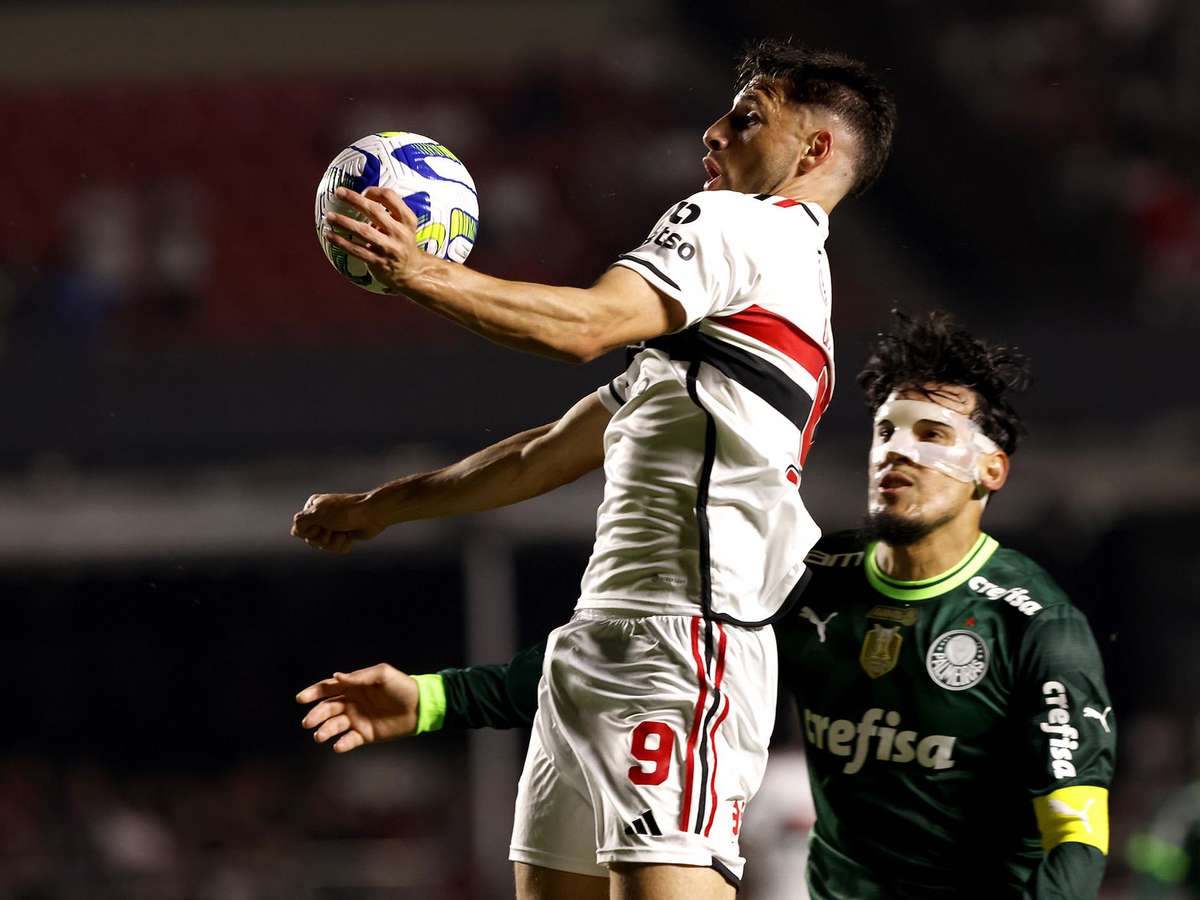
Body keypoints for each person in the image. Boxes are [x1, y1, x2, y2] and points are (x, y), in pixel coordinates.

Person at [294, 38, 896, 900]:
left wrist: (420, 271)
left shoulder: (740, 226)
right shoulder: (753, 304)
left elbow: (582, 326)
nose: (713, 132)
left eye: (748, 115)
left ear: (815, 150)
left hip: (686, 648)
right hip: (597, 645)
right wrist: (383, 507)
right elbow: (548, 451)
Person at [298, 312, 1116, 899]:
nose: (899, 450)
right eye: (886, 430)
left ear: (991, 472)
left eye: (933, 434)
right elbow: (634, 662)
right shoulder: (810, 577)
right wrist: (437, 698)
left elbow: (1076, 841)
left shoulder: (1033, 625)